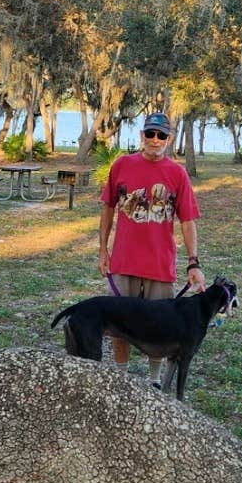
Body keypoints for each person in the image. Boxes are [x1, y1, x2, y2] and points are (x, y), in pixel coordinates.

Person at [97, 111, 204, 378]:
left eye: (161, 135)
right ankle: (121, 375)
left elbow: (188, 221)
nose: (155, 140)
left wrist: (193, 262)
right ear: (142, 135)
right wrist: (103, 250)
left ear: (169, 139)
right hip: (124, 262)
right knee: (119, 326)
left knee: (159, 327)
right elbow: (108, 209)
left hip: (159, 265)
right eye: (150, 134)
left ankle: (154, 381)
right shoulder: (122, 166)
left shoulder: (177, 174)